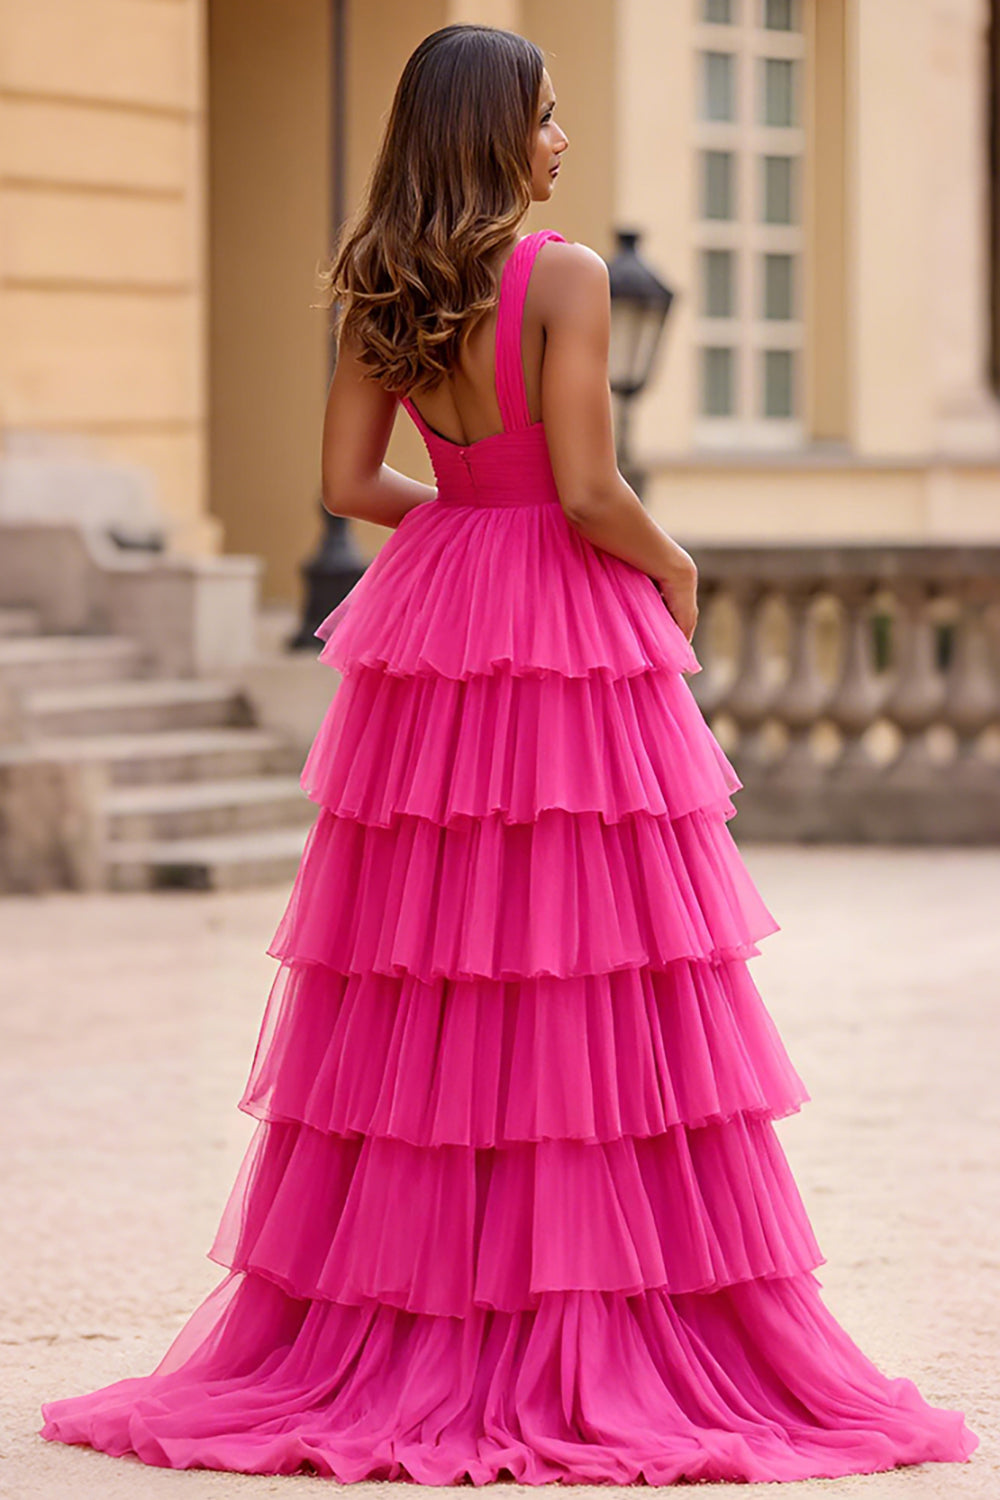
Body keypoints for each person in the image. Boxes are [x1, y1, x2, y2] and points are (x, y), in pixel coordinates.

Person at [38, 22, 978, 1484]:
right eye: (544, 118)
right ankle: (595, 1301)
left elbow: (347, 485)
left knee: (425, 959)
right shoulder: (568, 277)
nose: (561, 142)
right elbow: (595, 486)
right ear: (491, 131)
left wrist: (467, 530)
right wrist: (674, 570)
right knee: (594, 958)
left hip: (438, 627)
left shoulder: (375, 284)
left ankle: (416, 1304)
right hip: (568, 633)